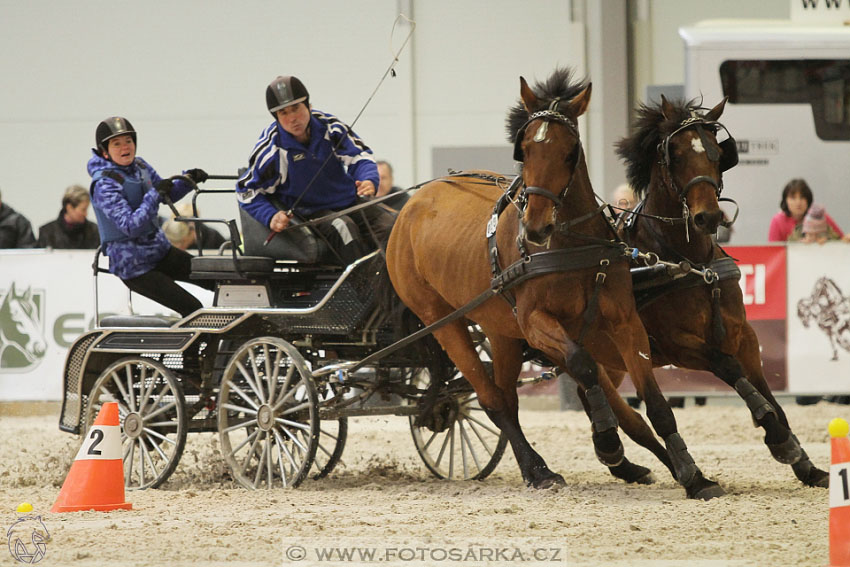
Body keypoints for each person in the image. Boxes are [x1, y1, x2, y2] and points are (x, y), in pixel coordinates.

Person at [236, 75, 395, 265]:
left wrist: (368, 179)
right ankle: (366, 288)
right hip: (309, 213)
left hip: (348, 200)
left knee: (392, 225)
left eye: (296, 108)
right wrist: (270, 215)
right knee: (343, 228)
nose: (292, 118)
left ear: (308, 106)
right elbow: (246, 190)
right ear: (276, 118)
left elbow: (359, 156)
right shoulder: (272, 150)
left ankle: (399, 286)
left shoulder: (329, 126)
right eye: (283, 113)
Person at [87, 116, 213, 317]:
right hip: (135, 267)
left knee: (217, 279)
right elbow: (130, 225)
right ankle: (198, 348)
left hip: (159, 252)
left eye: (128, 141)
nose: (124, 147)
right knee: (193, 309)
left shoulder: (140, 167)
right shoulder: (104, 184)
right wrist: (154, 194)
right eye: (116, 144)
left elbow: (165, 195)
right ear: (105, 151)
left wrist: (187, 181)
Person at [768, 178, 850, 242]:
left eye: (802, 197)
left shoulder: (819, 216)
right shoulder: (777, 221)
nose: (798, 202)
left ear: (808, 199)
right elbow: (774, 252)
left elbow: (841, 240)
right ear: (785, 200)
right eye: (793, 198)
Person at [36, 184, 100, 249]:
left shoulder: (94, 231)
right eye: (83, 210)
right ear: (69, 208)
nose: (86, 214)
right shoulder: (47, 233)